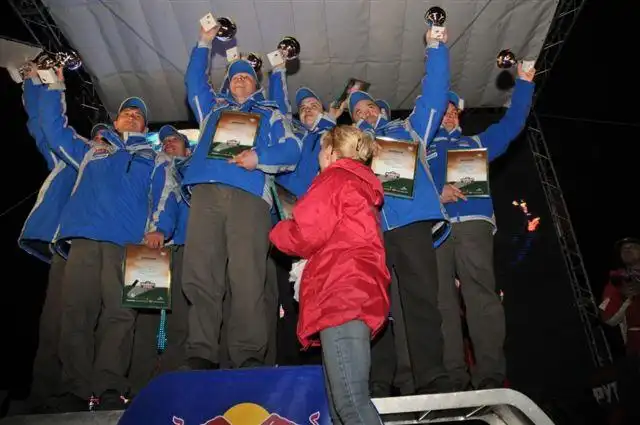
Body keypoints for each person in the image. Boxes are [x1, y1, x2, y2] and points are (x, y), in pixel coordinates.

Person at [38, 75, 179, 411]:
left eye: (138, 115)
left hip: (127, 245)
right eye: (126, 113)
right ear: (115, 122)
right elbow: (54, 130)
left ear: (144, 127)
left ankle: (110, 387)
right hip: (84, 239)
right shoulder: (91, 151)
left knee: (121, 316)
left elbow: (167, 194)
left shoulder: (154, 157)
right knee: (76, 313)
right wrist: (54, 86)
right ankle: (76, 387)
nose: (131, 116)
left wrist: (160, 228)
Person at [180, 22, 301, 371]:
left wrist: (258, 158)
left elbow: (292, 149)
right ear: (227, 83)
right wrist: (204, 42)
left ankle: (248, 353)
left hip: (250, 195)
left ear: (255, 84)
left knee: (247, 275)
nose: (241, 81)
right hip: (206, 192)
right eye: (235, 77)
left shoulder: (270, 113)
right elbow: (194, 82)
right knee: (201, 273)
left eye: (247, 77)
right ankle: (202, 351)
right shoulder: (212, 109)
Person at [349, 28, 452, 395]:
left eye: (369, 107)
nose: (365, 113)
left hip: (411, 224)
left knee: (422, 301)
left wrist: (435, 48)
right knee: (374, 306)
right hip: (371, 233)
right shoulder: (351, 149)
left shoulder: (407, 130)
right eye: (357, 112)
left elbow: (435, 96)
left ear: (381, 109)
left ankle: (432, 376)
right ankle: (378, 382)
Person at [270, 125, 390, 425]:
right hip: (356, 291)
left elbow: (305, 234)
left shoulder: (335, 179)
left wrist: (276, 231)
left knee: (350, 405)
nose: (318, 158)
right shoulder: (359, 186)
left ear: (332, 152)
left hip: (340, 293)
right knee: (341, 410)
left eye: (321, 150)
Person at [429, 63, 535, 390]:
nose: (449, 115)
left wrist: (524, 83)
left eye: (453, 111)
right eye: (442, 111)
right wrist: (436, 195)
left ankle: (490, 375)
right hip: (433, 229)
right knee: (441, 301)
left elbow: (512, 123)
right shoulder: (419, 149)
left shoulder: (474, 143)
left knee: (481, 296)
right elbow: (397, 186)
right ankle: (452, 378)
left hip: (473, 226)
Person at [17, 66, 79, 412]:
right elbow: (44, 128)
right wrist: (38, 83)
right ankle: (45, 394)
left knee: (84, 320)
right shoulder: (72, 158)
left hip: (108, 247)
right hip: (67, 244)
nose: (99, 143)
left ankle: (77, 389)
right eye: (96, 138)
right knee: (56, 318)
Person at [128, 125, 191, 395]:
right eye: (164, 141)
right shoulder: (152, 166)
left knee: (180, 316)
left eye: (175, 140)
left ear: (188, 150)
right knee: (144, 317)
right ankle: (137, 386)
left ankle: (172, 383)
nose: (168, 143)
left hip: (180, 245)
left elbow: (171, 198)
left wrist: (162, 229)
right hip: (147, 247)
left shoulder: (190, 170)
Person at [600, 237, 640, 423]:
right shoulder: (617, 282)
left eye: (633, 246)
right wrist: (627, 299)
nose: (628, 249)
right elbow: (608, 320)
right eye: (624, 249)